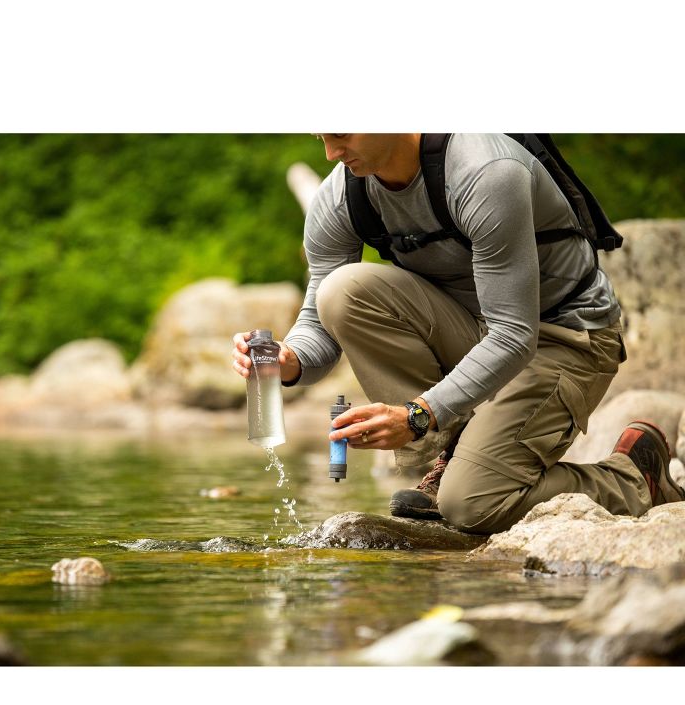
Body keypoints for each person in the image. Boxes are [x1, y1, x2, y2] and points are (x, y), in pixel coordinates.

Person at [232, 134, 685, 534]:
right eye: (321, 137)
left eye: (341, 134)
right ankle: (447, 459)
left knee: (471, 506)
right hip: (477, 333)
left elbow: (514, 335)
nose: (331, 152)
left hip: (564, 338)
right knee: (342, 291)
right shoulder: (340, 198)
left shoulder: (484, 172)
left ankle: (633, 477)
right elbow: (318, 320)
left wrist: (416, 414)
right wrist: (287, 360)